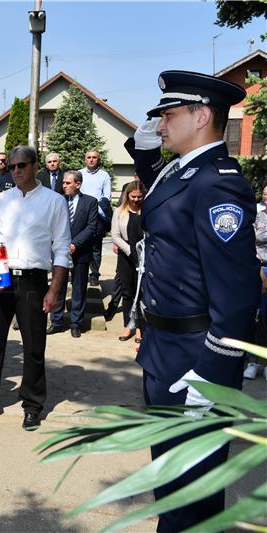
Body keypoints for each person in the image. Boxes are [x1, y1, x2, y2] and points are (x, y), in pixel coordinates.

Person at [125, 70, 258, 531]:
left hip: (196, 358)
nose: (161, 124)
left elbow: (238, 297)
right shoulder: (181, 172)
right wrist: (146, 136)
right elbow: (154, 182)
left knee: (192, 491)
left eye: (169, 114)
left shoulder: (217, 184)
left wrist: (213, 375)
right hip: (164, 351)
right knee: (172, 481)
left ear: (202, 116)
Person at [0, 145, 70, 431]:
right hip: (0, 276)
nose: (16, 171)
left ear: (35, 166)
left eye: (22, 165)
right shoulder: (0, 201)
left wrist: (54, 290)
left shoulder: (54, 202)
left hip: (33, 280)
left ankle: (33, 404)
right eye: (12, 166)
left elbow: (62, 248)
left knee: (34, 346)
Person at [47, 171, 97, 338]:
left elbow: (91, 227)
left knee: (79, 288)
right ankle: (56, 322)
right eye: (64, 183)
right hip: (59, 251)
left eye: (68, 183)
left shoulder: (90, 202)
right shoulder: (57, 200)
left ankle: (76, 323)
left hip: (80, 252)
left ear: (78, 184)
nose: (64, 186)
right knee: (58, 287)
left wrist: (75, 244)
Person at [110, 180, 147, 343]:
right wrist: (129, 250)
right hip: (126, 256)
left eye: (139, 197)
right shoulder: (119, 211)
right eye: (133, 196)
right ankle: (128, 326)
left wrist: (140, 251)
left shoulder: (147, 210)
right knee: (128, 292)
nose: (136, 200)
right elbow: (115, 236)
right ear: (127, 195)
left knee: (141, 293)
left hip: (144, 255)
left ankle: (140, 328)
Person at [78, 149, 112, 286]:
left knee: (96, 248)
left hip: (98, 216)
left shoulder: (104, 175)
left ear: (98, 159)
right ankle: (80, 273)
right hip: (81, 216)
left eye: (94, 157)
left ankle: (94, 274)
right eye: (89, 157)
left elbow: (106, 196)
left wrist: (94, 209)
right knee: (80, 245)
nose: (91, 159)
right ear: (85, 159)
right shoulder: (79, 173)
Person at [245, 185, 267, 380]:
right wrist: (259, 271)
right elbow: (249, 244)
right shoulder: (257, 216)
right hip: (260, 269)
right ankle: (252, 362)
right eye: (266, 194)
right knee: (256, 317)